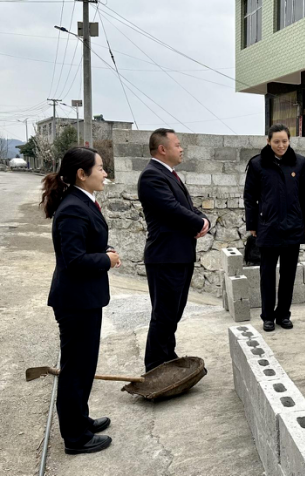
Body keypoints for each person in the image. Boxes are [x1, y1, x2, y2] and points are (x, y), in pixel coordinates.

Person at [41, 147, 121, 454]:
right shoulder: (74, 207)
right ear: (81, 174)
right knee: (75, 369)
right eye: (100, 168)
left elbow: (87, 243)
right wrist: (107, 259)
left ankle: (81, 420)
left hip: (85, 298)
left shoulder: (83, 202)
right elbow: (73, 260)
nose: (105, 173)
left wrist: (104, 251)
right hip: (75, 301)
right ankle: (75, 437)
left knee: (85, 366)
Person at [138, 128, 210, 372]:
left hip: (179, 254)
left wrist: (203, 220)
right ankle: (156, 367)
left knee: (173, 314)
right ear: (163, 149)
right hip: (165, 256)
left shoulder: (170, 175)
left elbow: (187, 207)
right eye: (177, 145)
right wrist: (198, 223)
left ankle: (168, 357)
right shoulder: (151, 176)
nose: (181, 149)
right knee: (164, 314)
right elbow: (171, 209)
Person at [244, 123, 305, 332]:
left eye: (284, 141)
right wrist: (252, 224)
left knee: (288, 274)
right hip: (267, 227)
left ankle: (283, 314)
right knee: (267, 274)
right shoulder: (257, 165)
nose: (281, 145)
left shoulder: (300, 163)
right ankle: (267, 316)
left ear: (289, 140)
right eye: (276, 141)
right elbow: (249, 197)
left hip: (293, 227)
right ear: (268, 141)